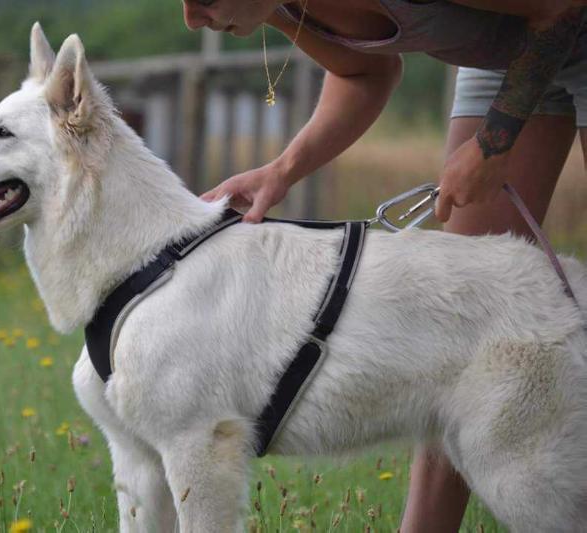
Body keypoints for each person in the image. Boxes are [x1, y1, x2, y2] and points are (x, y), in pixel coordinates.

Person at [182, 0, 586, 530]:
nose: (192, 17)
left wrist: (492, 142)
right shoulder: (280, 6)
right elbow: (365, 72)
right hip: (507, 56)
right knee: (460, 335)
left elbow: (558, 8)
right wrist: (282, 172)